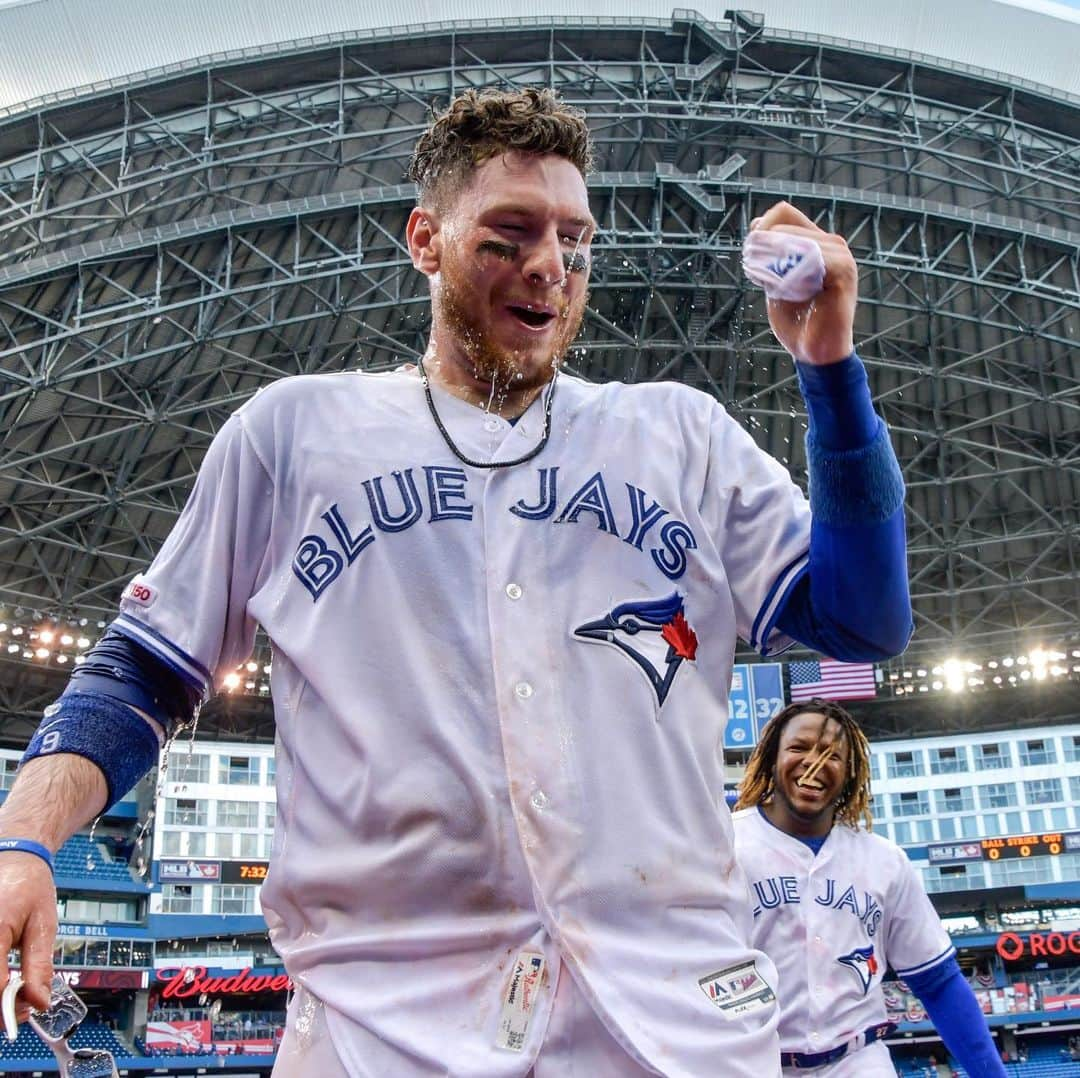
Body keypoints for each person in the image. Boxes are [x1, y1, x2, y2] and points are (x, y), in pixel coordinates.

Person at [0, 88, 912, 1076]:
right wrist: (24, 842)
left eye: (574, 239)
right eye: (508, 234)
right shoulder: (295, 432)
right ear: (425, 240)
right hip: (380, 1027)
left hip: (673, 1025)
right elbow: (145, 667)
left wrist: (828, 368)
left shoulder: (679, 435)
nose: (549, 266)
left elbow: (864, 620)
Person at [733, 700, 1005, 1077]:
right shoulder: (724, 843)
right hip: (747, 1063)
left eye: (832, 755)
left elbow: (938, 981)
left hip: (855, 1061)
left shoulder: (884, 861)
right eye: (798, 748)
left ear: (851, 772)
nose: (813, 764)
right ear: (770, 759)